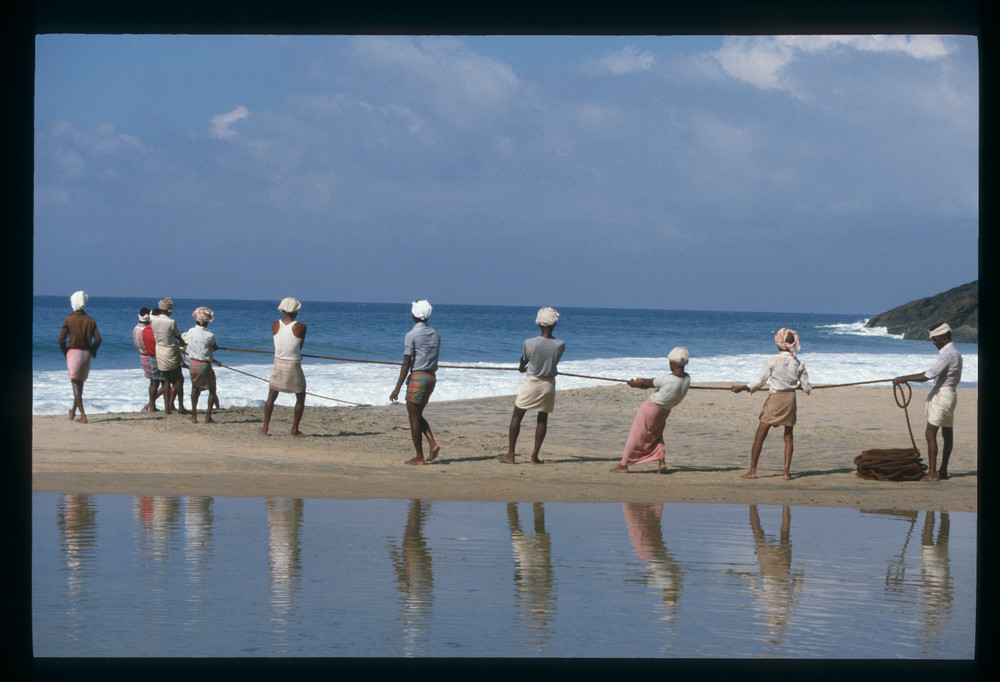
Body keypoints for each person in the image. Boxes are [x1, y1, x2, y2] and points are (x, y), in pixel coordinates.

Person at [731, 328, 811, 480]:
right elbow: (807, 387)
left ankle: (753, 471)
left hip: (775, 399)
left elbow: (760, 382)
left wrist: (743, 387)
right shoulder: (799, 363)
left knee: (760, 435)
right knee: (788, 436)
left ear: (778, 343)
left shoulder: (772, 360)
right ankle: (786, 473)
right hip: (790, 400)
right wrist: (799, 385)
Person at [892, 323, 963, 481]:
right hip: (949, 394)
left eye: (935, 339)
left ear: (944, 338)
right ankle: (942, 471)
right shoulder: (954, 352)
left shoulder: (948, 354)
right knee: (947, 433)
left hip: (943, 395)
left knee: (930, 433)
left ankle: (932, 474)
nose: (933, 342)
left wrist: (903, 378)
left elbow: (929, 374)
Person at [499, 307, 565, 465]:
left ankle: (511, 455)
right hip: (548, 384)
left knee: (517, 416)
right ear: (554, 324)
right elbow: (553, 362)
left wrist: (522, 368)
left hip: (532, 382)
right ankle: (534, 457)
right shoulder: (560, 344)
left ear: (539, 323)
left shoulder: (529, 343)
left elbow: (523, 363)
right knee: (542, 419)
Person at [611, 346, 691, 473]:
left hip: (651, 408)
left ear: (672, 364)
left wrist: (633, 384)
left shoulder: (667, 379)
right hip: (665, 410)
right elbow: (648, 383)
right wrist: (641, 382)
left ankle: (624, 465)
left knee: (636, 434)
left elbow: (646, 384)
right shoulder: (687, 379)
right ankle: (661, 462)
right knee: (656, 434)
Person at [390, 300, 441, 465]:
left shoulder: (411, 335)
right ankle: (432, 443)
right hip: (431, 377)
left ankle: (419, 456)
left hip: (418, 377)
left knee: (413, 417)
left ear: (413, 315)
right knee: (417, 414)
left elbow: (406, 362)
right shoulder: (435, 334)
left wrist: (397, 388)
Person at [260, 297, 308, 436]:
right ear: (296, 311)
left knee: (272, 395)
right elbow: (299, 345)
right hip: (292, 363)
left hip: (278, 362)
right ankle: (294, 430)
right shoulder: (301, 327)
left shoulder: (275, 324)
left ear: (283, 309)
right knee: (300, 396)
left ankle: (265, 428)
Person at [58, 290, 102, 423]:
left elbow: (61, 340)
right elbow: (98, 339)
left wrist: (65, 352)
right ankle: (73, 411)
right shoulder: (90, 320)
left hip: (73, 353)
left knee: (75, 384)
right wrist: (93, 350)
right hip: (86, 353)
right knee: (80, 384)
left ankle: (83, 416)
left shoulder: (69, 319)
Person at [149, 298, 188, 415]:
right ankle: (180, 407)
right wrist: (182, 342)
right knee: (179, 379)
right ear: (170, 310)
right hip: (170, 351)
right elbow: (178, 337)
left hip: (159, 351)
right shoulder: (171, 322)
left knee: (166, 380)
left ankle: (167, 408)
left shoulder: (153, 321)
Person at [186, 307, 220, 424]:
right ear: (207, 321)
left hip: (192, 364)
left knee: (195, 387)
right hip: (204, 365)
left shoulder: (190, 331)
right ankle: (208, 417)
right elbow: (213, 348)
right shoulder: (209, 335)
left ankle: (194, 415)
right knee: (212, 389)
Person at [132, 307, 165, 412]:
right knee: (162, 382)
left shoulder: (135, 329)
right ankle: (150, 406)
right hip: (150, 356)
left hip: (142, 356)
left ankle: (151, 406)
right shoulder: (146, 330)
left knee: (153, 382)